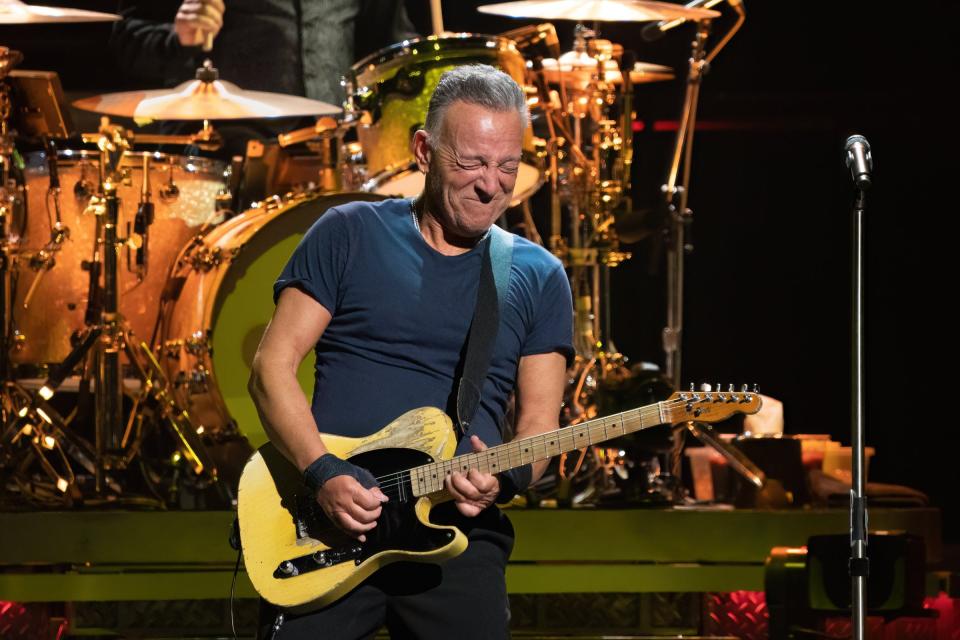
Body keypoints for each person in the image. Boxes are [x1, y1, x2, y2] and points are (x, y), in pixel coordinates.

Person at [248, 64, 574, 639]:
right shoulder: (348, 233)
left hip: (454, 537)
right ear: (424, 151)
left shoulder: (538, 275)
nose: (491, 185)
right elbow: (271, 369)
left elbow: (540, 424)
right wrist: (322, 471)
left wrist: (505, 479)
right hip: (325, 524)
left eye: (507, 166)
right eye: (471, 162)